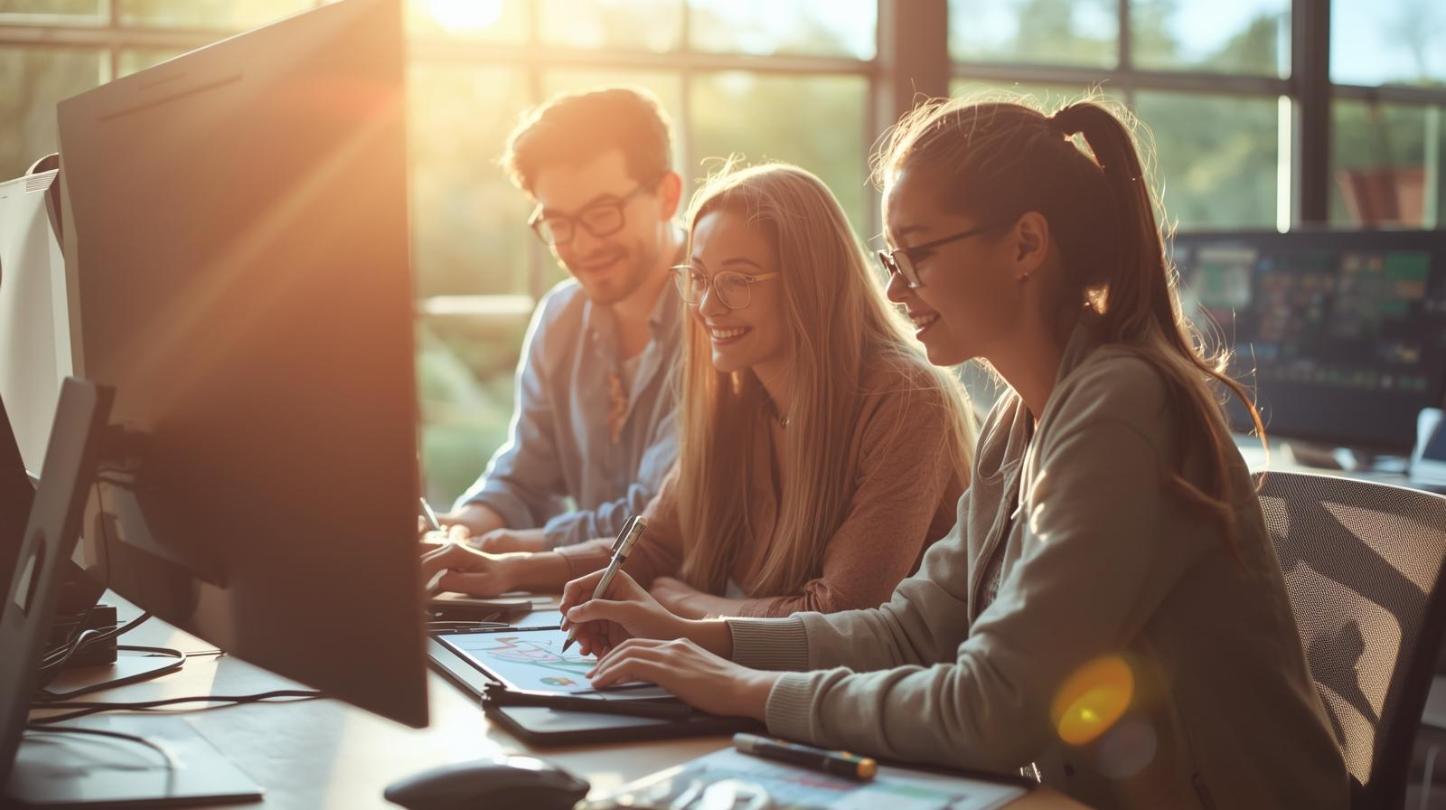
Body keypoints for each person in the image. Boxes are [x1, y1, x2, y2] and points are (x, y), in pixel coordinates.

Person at [555, 98, 1350, 809]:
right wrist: (700, 642)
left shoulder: (1122, 406)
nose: (897, 290)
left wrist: (749, 690)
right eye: (891, 258)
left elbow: (991, 708)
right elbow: (910, 632)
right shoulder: (1021, 419)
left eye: (920, 253)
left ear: (1026, 245)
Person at [422, 163, 976, 618]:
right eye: (699, 277)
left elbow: (838, 615)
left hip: (887, 726)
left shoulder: (905, 400)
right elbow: (655, 545)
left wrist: (681, 605)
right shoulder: (738, 394)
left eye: (736, 280)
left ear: (811, 283)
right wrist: (504, 570)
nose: (708, 306)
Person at [432, 87, 686, 553]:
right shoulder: (560, 317)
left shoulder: (721, 316)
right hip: (591, 608)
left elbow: (656, 516)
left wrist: (506, 550)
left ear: (667, 196)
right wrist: (462, 529)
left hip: (698, 615)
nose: (584, 246)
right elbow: (525, 477)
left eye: (603, 214)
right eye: (559, 223)